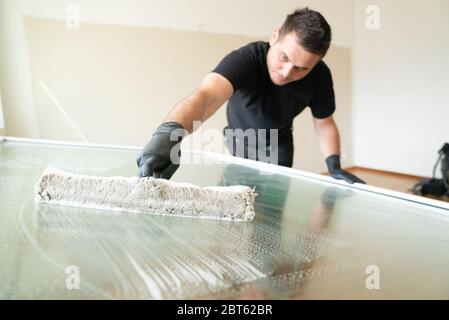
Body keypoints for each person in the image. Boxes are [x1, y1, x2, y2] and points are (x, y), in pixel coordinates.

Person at [136, 7, 365, 184]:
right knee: (234, 202)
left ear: (316, 63)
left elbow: (324, 122)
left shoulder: (320, 76)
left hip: (279, 145)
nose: (287, 73)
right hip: (239, 139)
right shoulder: (245, 60)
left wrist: (333, 164)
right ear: (275, 36)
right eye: (284, 57)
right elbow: (206, 97)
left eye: (301, 68)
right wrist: (168, 134)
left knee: (272, 213)